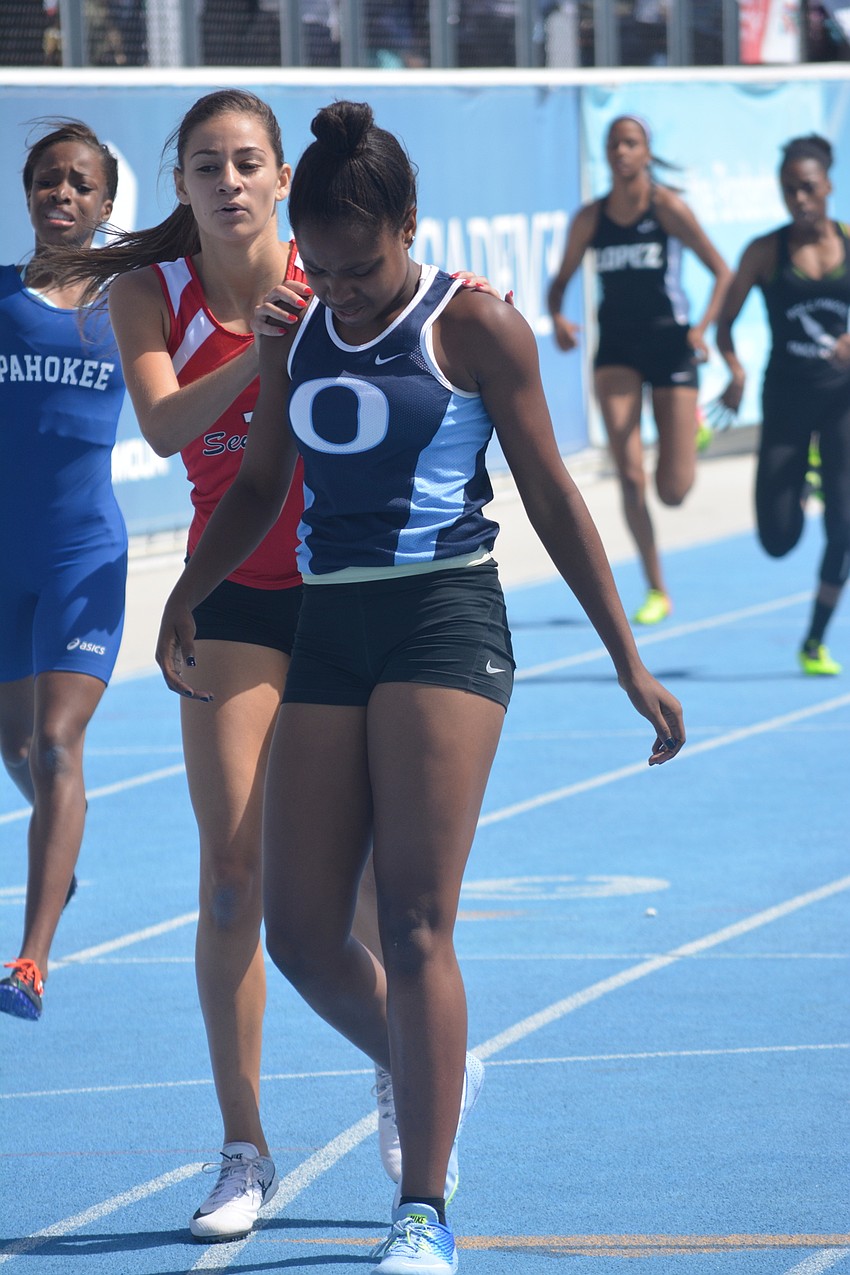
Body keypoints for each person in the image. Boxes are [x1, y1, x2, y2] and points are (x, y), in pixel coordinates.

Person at [154, 99, 686, 1274]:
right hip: (330, 618)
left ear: (409, 226)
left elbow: (550, 493)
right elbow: (256, 486)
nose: (338, 290)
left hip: (445, 617)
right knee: (296, 929)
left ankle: (422, 1209)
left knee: (411, 913)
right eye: (324, 270)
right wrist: (189, 589)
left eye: (360, 267)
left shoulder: (476, 327)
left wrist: (624, 658)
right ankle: (427, 1056)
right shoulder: (295, 327)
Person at [56, 88, 487, 1243]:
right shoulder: (155, 291)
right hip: (236, 587)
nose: (232, 180)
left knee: (361, 893)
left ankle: (413, 1067)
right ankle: (244, 1145)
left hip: (354, 587)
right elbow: (163, 428)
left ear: (279, 176)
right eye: (208, 165)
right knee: (233, 875)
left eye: (249, 161)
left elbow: (417, 313)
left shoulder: (329, 258)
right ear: (183, 184)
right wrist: (265, 355)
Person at [0, 122, 126, 1021]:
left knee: (55, 743)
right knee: (14, 748)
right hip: (5, 562)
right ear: (27, 192)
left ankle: (30, 962)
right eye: (49, 181)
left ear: (107, 204)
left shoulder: (136, 303)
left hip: (84, 555)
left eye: (81, 184)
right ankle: (61, 854)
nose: (63, 195)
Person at [548, 114, 730, 625]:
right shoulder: (591, 218)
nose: (621, 153)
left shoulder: (666, 208)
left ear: (646, 153)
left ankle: (690, 427)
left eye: (630, 144)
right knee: (630, 476)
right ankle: (656, 587)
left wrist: (703, 331)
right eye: (613, 145)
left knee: (673, 492)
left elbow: (722, 271)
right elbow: (559, 283)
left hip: (671, 346)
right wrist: (560, 320)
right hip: (617, 351)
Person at [716, 134, 850, 675]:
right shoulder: (765, 251)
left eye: (808, 188)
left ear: (828, 186)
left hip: (841, 403)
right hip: (787, 403)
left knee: (845, 526)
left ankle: (814, 639)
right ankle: (803, 476)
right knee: (777, 540)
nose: (799, 198)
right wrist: (735, 369)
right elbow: (725, 323)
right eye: (789, 189)